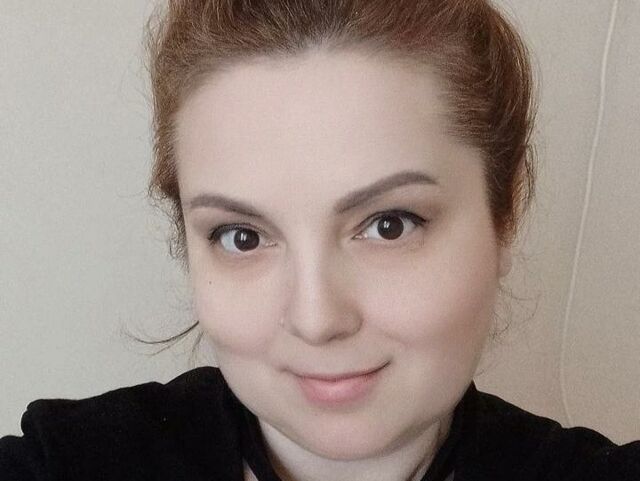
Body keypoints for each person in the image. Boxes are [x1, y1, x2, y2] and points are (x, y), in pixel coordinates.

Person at [1, 1, 638, 480]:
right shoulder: (65, 463)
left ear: (506, 211)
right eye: (242, 236)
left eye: (389, 224)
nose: (317, 320)